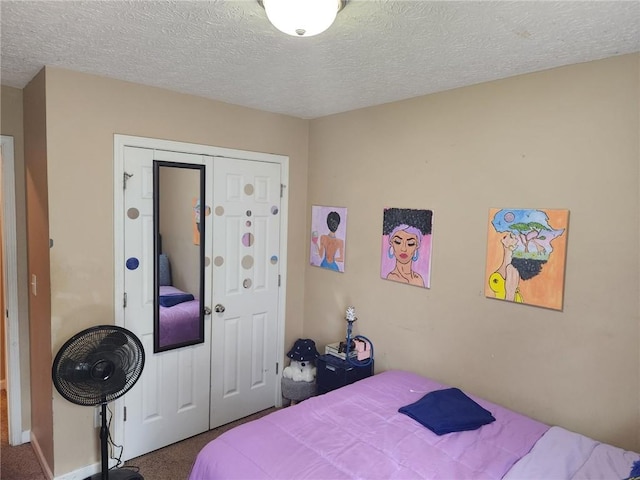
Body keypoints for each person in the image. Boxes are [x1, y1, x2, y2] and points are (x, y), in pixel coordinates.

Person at [488, 232, 523, 302]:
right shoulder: (497, 277)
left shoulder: (513, 271)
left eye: (514, 237)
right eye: (511, 236)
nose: (516, 239)